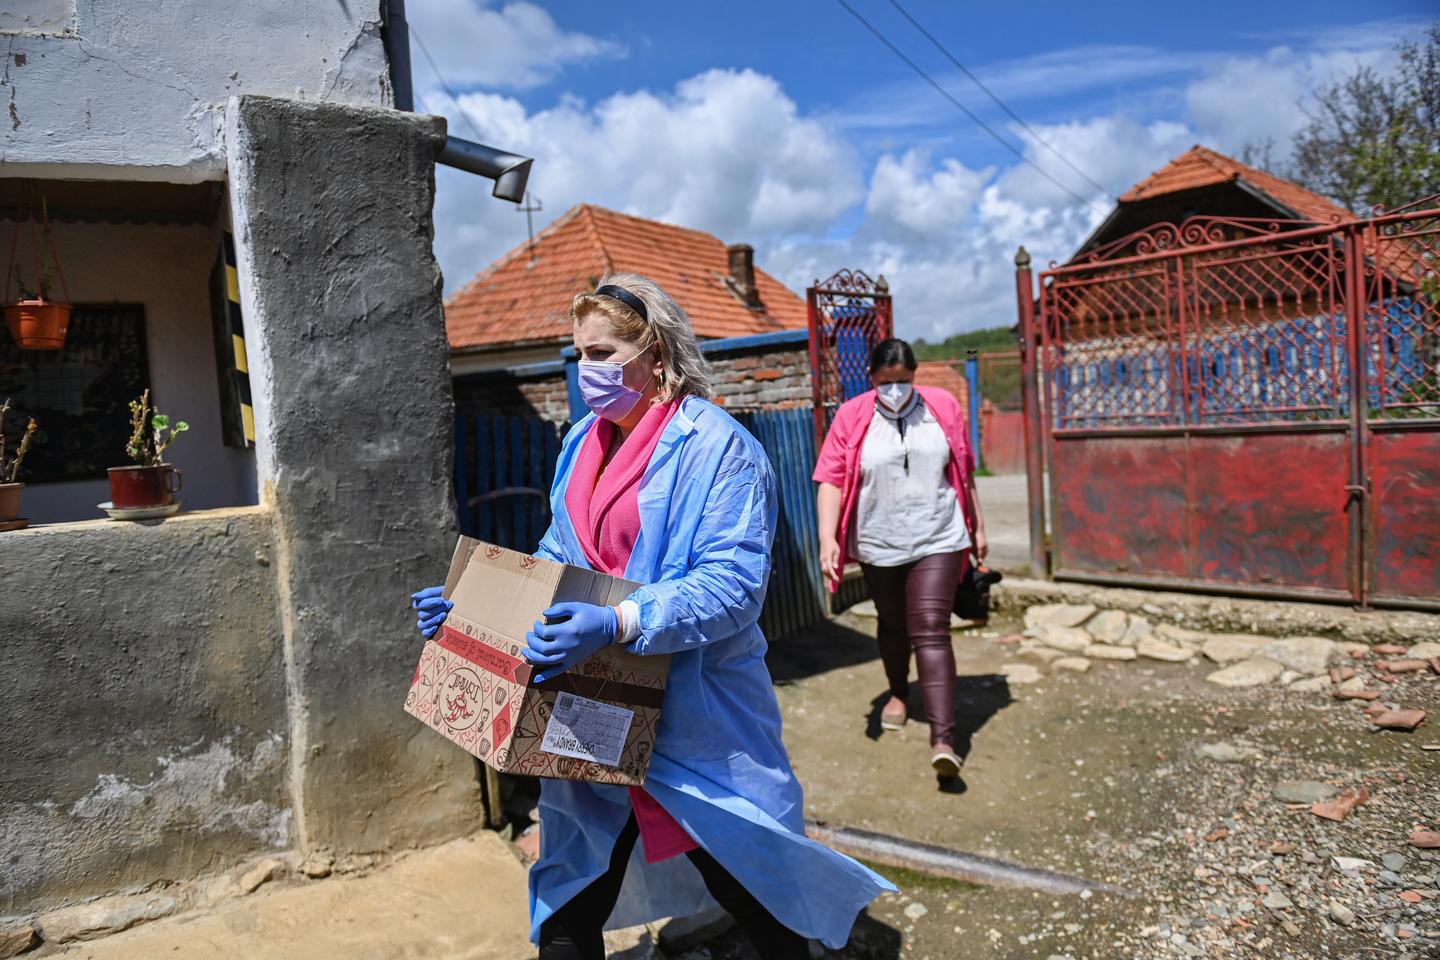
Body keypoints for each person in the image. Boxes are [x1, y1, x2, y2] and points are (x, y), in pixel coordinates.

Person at [410, 274, 894, 960]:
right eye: (579, 354)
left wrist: (619, 621)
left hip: (696, 714)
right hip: (593, 704)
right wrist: (471, 611)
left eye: (603, 354)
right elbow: (557, 558)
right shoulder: (582, 442)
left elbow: (732, 586)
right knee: (575, 881)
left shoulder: (721, 449)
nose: (586, 372)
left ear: (657, 355)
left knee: (744, 875)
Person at [813, 338, 987, 779]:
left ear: (915, 375)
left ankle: (945, 740)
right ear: (872, 379)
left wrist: (978, 526)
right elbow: (830, 479)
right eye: (887, 382)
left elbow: (963, 470)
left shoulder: (942, 406)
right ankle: (898, 693)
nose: (896, 389)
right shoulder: (852, 416)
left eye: (904, 381)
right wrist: (827, 538)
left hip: (940, 534)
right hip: (879, 541)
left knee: (931, 628)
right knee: (893, 623)